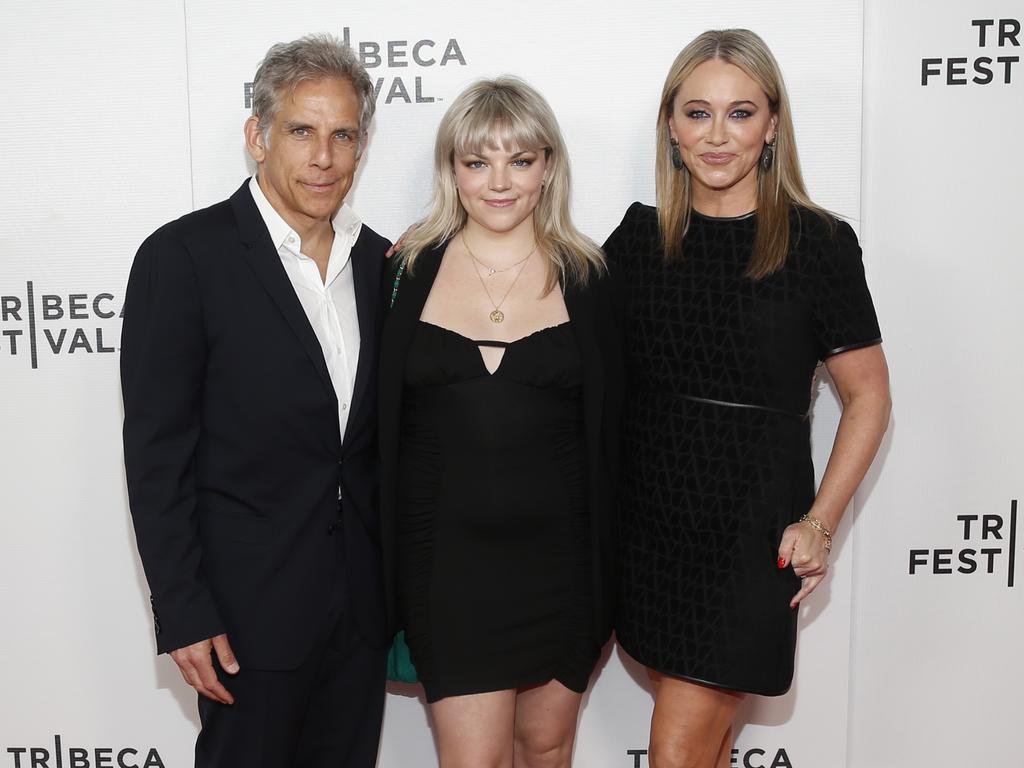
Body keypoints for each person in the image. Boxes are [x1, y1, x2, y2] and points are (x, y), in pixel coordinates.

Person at [604, 29, 892, 768]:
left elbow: (868, 397)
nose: (717, 135)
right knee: (700, 749)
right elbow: (541, 311)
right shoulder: (638, 241)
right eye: (697, 113)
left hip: (749, 538)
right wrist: (447, 240)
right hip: (650, 531)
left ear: (772, 125)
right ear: (671, 125)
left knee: (674, 750)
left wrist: (821, 522)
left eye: (740, 113)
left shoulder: (819, 245)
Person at [121, 34, 390, 767]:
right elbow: (156, 455)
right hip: (244, 620)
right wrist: (183, 611)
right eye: (302, 131)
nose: (323, 157)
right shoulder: (184, 258)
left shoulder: (381, 265)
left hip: (360, 618)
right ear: (258, 137)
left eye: (343, 136)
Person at [378, 76, 623, 768]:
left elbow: (615, 436)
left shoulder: (591, 276)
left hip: (564, 569)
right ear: (451, 171)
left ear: (548, 167)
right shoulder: (402, 273)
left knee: (545, 750)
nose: (499, 182)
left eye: (520, 160)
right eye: (477, 161)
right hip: (446, 573)